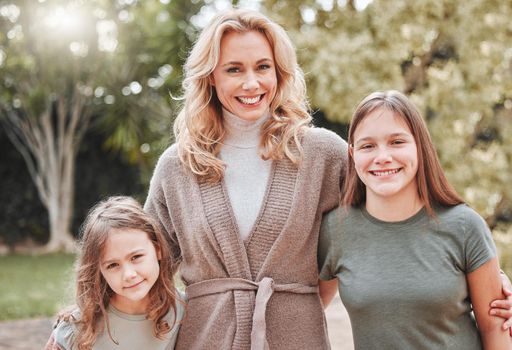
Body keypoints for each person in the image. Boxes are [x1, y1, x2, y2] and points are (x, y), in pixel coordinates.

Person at [144, 9, 347, 349]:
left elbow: (367, 238)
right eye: (234, 69)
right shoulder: (177, 166)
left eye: (263, 67)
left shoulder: (322, 154)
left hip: (298, 338)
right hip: (205, 339)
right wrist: (78, 326)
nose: (251, 83)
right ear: (210, 76)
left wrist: (298, 305)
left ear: (279, 72)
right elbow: (142, 266)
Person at [318, 90, 512, 349]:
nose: (383, 156)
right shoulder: (336, 229)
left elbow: (496, 328)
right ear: (353, 155)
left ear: (420, 147)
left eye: (397, 142)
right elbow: (306, 307)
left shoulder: (465, 226)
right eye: (368, 146)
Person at [45, 196, 185, 350]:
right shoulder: (77, 330)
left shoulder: (184, 310)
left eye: (136, 257)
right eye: (113, 265)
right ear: (99, 271)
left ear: (158, 250)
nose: (129, 274)